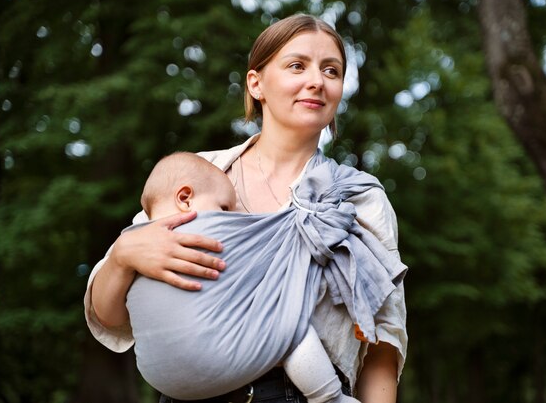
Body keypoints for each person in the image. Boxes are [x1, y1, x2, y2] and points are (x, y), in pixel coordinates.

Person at [85, 14, 407, 403]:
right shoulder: (195, 177)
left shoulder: (359, 198)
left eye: (331, 70)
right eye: (296, 66)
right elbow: (113, 316)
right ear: (256, 84)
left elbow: (382, 341)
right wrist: (122, 256)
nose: (317, 81)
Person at [129, 150, 396, 402]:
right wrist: (120, 258)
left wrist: (121, 255)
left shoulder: (137, 238)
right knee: (290, 327)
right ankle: (328, 396)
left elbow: (385, 339)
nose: (233, 216)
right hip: (251, 371)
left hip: (168, 382)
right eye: (224, 209)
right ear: (185, 198)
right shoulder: (208, 171)